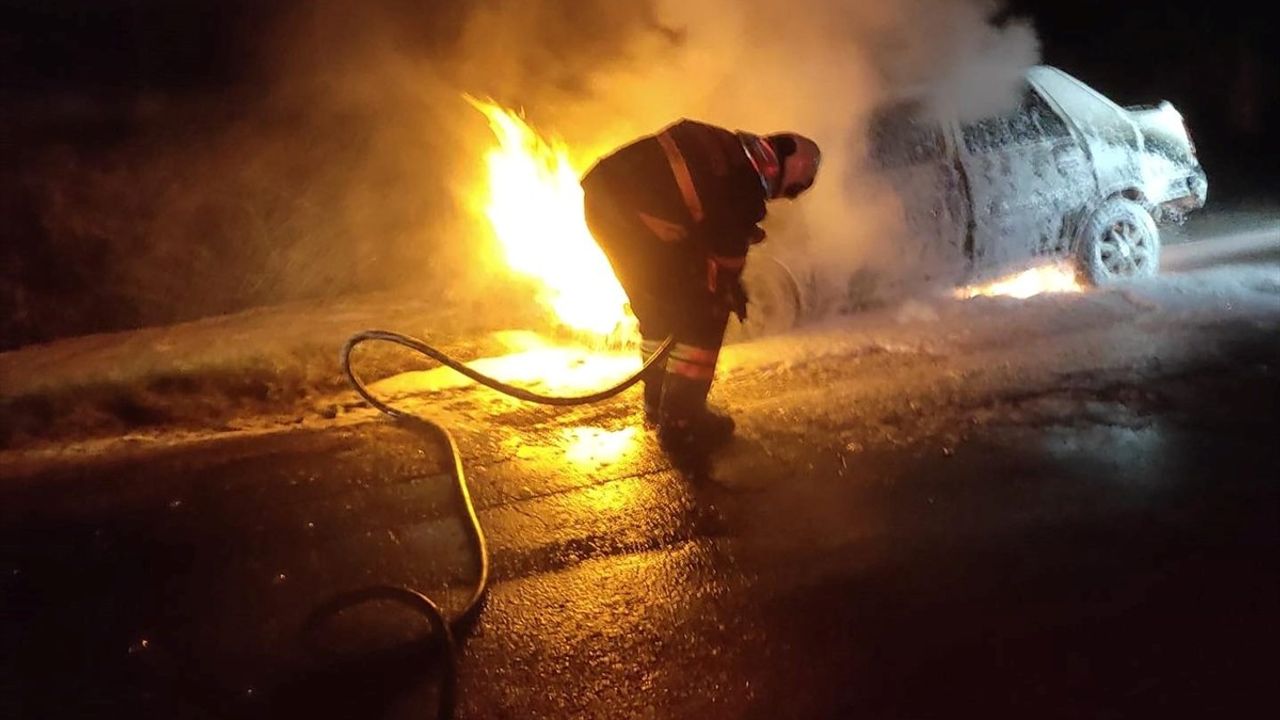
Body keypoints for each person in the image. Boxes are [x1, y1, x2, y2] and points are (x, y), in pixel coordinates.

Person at [580, 119, 821, 453]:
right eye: (794, 189)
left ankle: (657, 405)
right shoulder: (743, 185)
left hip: (605, 203)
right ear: (787, 170)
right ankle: (683, 422)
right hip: (629, 216)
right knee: (705, 316)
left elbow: (697, 210)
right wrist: (727, 290)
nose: (787, 198)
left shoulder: (731, 151)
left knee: (658, 310)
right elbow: (723, 261)